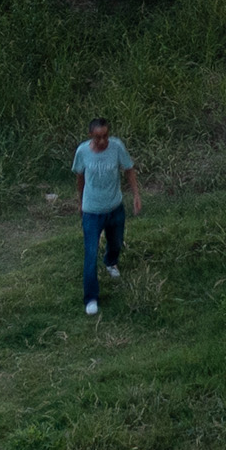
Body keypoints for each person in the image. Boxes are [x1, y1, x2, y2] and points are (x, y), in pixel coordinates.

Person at [71, 116, 140, 316]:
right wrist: (80, 202)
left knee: (116, 242)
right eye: (98, 137)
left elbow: (128, 169)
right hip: (92, 211)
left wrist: (136, 194)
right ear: (90, 136)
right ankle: (91, 298)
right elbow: (80, 176)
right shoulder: (82, 152)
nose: (102, 141)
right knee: (90, 254)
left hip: (115, 207)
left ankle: (111, 261)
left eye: (106, 136)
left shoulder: (117, 147)